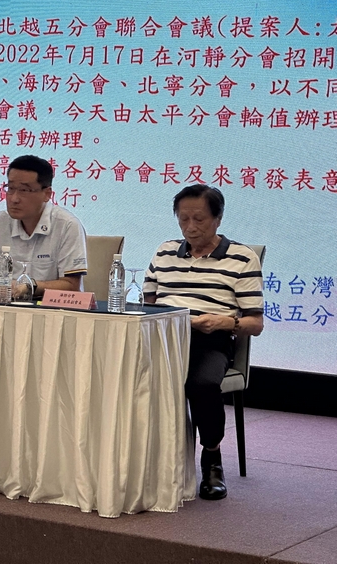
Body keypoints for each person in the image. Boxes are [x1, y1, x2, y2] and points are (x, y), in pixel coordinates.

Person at [143, 184, 263, 501]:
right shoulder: (165, 252)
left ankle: (212, 458)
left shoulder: (241, 258)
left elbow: (255, 323)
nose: (191, 227)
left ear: (218, 219)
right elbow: (146, 304)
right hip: (163, 337)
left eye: (199, 219)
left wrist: (224, 322)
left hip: (210, 339)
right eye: (183, 219)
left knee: (202, 384)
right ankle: (142, 460)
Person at [0, 155, 87, 297]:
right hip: (6, 305)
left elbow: (71, 285)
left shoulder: (67, 226)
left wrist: (29, 286)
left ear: (47, 194)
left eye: (24, 190)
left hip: (52, 308)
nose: (14, 198)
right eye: (10, 188)